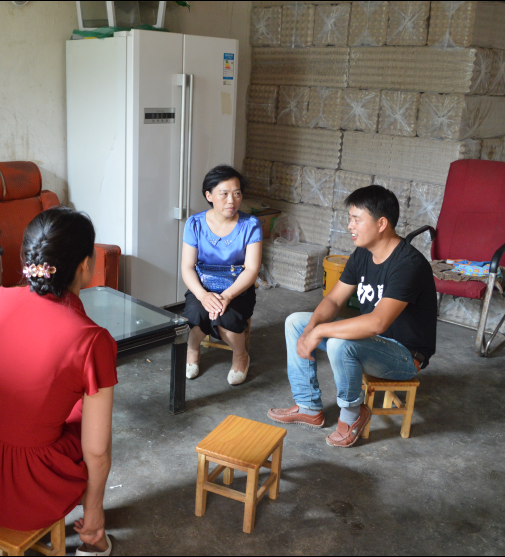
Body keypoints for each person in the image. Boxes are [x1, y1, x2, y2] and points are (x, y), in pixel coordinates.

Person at [0, 207, 116, 556]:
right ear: (85, 265)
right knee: (86, 416)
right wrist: (95, 511)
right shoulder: (92, 339)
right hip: (31, 494)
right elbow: (97, 451)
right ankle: (93, 534)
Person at [267, 185, 437, 448]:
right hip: (371, 343)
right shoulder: (363, 254)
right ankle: (308, 406)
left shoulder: (408, 264)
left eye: (357, 219)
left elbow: (377, 323)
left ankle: (352, 415)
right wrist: (310, 328)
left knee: (339, 343)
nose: (350, 226)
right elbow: (334, 300)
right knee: (296, 322)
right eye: (350, 219)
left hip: (404, 355)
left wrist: (319, 331)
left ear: (381, 223)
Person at [181, 165, 262, 386]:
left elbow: (252, 269)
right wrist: (202, 295)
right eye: (224, 194)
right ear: (209, 195)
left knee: (226, 318)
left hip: (237, 288)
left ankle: (241, 355)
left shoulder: (250, 225)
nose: (231, 201)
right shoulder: (195, 223)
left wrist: (226, 296)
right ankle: (192, 350)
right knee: (195, 314)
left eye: (237, 193)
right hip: (203, 286)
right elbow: (187, 266)